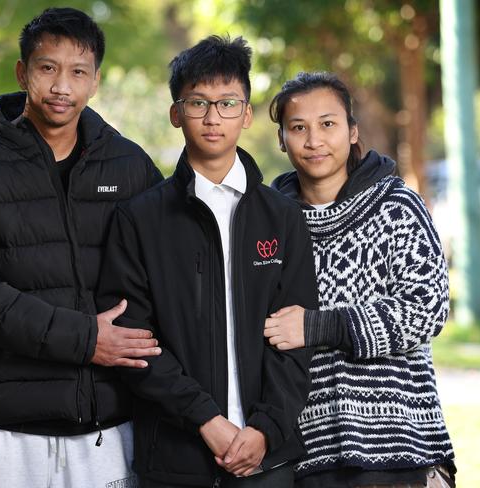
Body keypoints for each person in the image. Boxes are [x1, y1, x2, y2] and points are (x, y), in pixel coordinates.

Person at [0, 7, 163, 488]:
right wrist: (86, 339)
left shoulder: (129, 165)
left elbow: (164, 276)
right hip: (1, 430)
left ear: (95, 81)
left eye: (78, 72)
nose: (61, 87)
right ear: (22, 73)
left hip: (106, 426)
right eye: (47, 68)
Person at [95, 36, 318, 487]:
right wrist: (206, 421)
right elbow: (135, 342)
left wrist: (265, 428)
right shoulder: (138, 219)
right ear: (176, 113)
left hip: (269, 460)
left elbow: (297, 336)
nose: (213, 117)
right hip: (175, 458)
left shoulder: (283, 217)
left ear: (247, 114)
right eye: (198, 102)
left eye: (228, 103)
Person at [264, 71, 456, 488]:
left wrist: (317, 325)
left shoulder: (396, 205)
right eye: (299, 128)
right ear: (282, 139)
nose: (314, 140)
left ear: (353, 131)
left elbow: (428, 309)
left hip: (401, 451)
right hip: (304, 458)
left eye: (328, 124)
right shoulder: (268, 223)